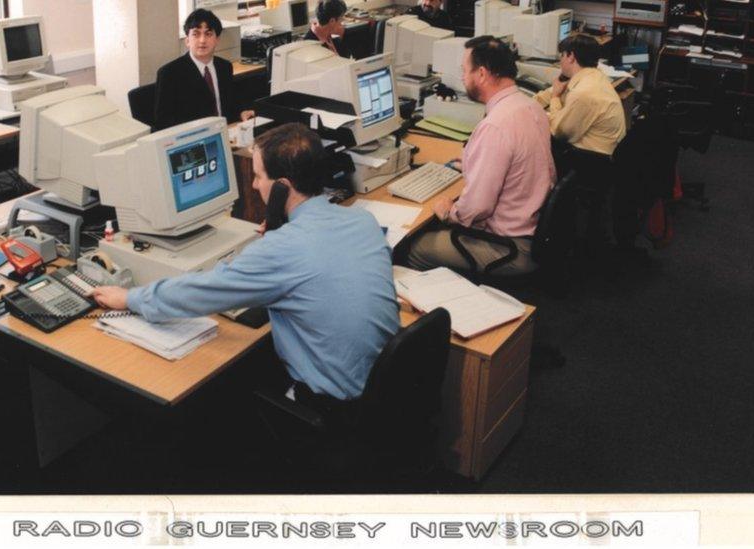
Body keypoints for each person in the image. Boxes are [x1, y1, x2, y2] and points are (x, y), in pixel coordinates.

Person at [91, 122, 400, 404]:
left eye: (258, 176)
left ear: (282, 186)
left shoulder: (281, 249)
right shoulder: (362, 221)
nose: (253, 186)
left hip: (331, 405)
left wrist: (130, 297)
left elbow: (203, 291)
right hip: (383, 393)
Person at [406, 36, 556, 276]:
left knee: (413, 247)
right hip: (534, 234)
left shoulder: (495, 126)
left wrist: (449, 211)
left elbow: (477, 208)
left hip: (509, 248)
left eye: (465, 71)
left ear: (483, 74)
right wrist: (473, 160)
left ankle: (452, 309)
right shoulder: (530, 107)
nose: (463, 77)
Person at [153, 9, 255, 131]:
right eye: (196, 34)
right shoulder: (170, 73)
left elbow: (229, 104)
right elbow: (163, 123)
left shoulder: (224, 67)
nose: (202, 40)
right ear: (187, 40)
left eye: (208, 34)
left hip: (226, 132)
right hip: (194, 139)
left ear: (217, 40)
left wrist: (241, 113)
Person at [533, 34, 626, 156]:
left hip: (591, 159)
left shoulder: (583, 93)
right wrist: (531, 103)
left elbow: (559, 132)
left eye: (562, 55)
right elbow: (555, 91)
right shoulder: (594, 76)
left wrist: (555, 98)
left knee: (534, 132)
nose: (560, 61)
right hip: (602, 151)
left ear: (571, 56)